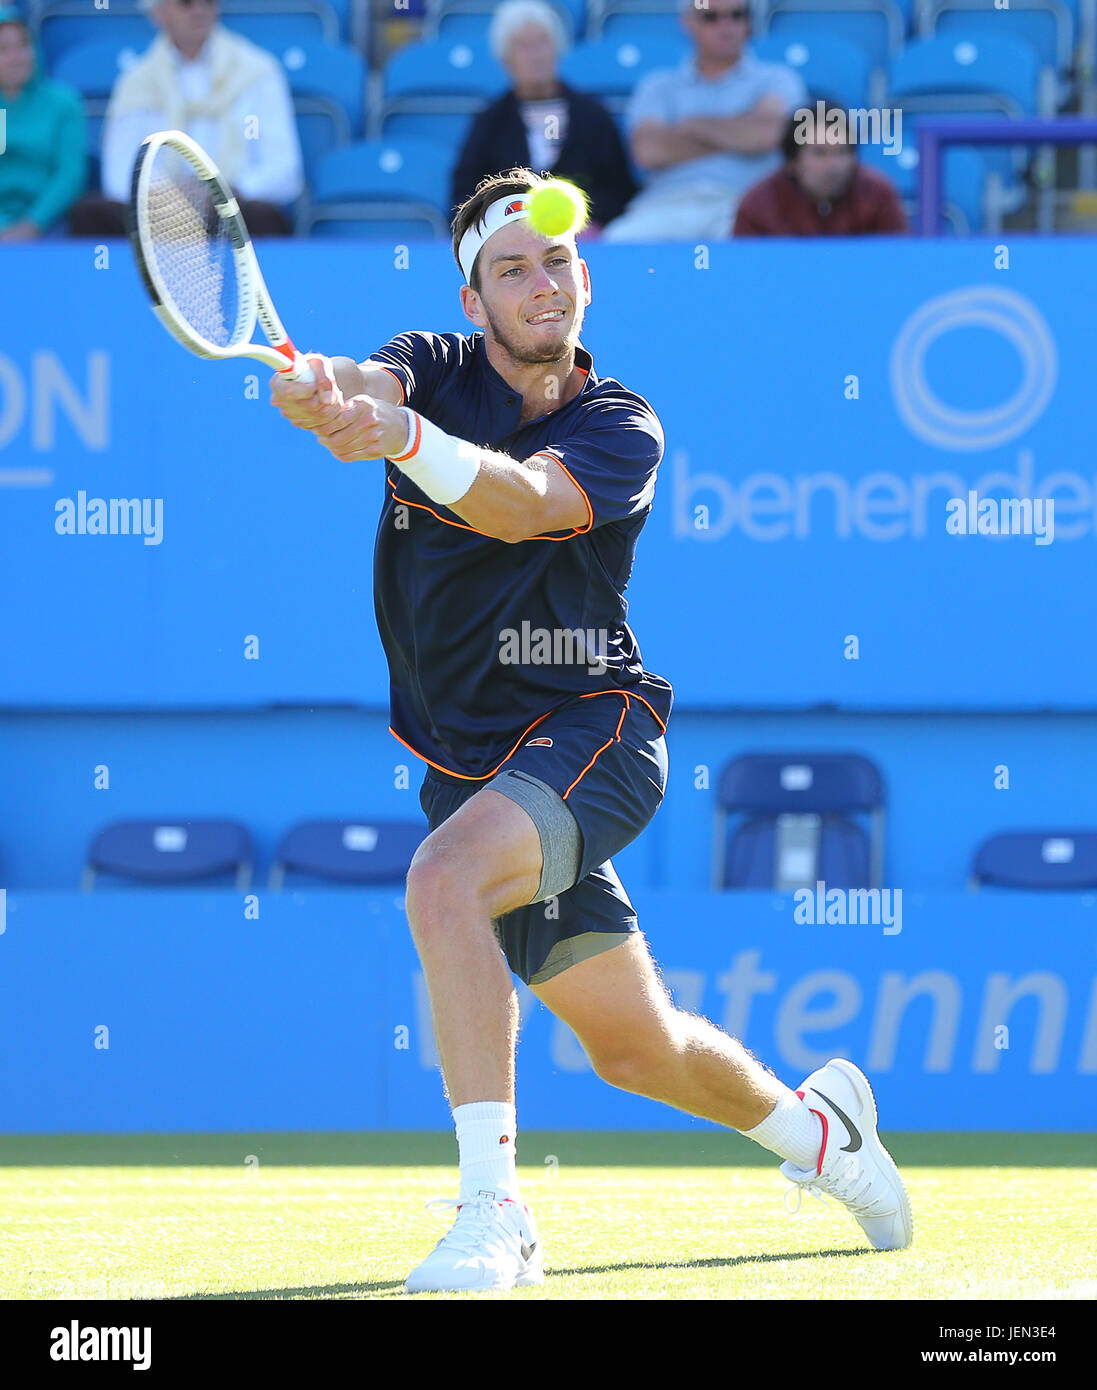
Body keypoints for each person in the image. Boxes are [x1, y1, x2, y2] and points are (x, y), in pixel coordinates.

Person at [269, 166, 912, 1292]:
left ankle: (493, 1213)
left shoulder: (621, 424)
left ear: (583, 279)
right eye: (510, 269)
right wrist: (324, 393)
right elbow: (363, 381)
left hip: (595, 730)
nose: (539, 284)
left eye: (557, 262)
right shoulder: (429, 362)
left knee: (439, 883)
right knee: (634, 1046)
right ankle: (825, 1140)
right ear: (474, 300)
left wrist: (398, 438)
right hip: (468, 763)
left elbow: (521, 504)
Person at [69, 0, 303, 238]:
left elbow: (285, 173)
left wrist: (222, 192)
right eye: (186, 3)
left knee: (262, 216)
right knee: (90, 215)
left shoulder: (258, 73)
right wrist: (174, 198)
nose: (199, 10)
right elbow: (119, 178)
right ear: (158, 14)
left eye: (208, 2)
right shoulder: (136, 83)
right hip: (157, 217)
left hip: (231, 211)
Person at [602, 0, 805, 242]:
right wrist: (741, 131)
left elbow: (767, 135)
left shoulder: (778, 78)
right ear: (688, 22)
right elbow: (649, 151)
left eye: (737, 15)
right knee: (616, 242)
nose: (726, 25)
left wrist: (692, 125)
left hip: (745, 204)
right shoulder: (657, 85)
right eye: (711, 16)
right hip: (666, 205)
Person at [450, 0, 638, 232]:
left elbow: (619, 189)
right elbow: (465, 193)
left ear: (558, 49)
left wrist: (584, 218)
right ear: (505, 58)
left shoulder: (593, 116)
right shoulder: (490, 122)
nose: (535, 55)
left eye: (543, 43)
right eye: (523, 46)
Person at [736, 102, 908, 235]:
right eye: (819, 153)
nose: (833, 165)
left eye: (842, 152)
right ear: (792, 162)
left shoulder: (877, 195)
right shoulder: (759, 204)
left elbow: (900, 262)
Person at [0, 6, 87, 242]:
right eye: (4, 49)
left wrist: (33, 223)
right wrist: (4, 228)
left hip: (54, 226)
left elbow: (69, 174)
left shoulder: (64, 103)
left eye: (23, 45)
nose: (16, 57)